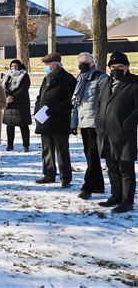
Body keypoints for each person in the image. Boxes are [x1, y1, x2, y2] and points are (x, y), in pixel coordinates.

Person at [96, 51, 138, 214]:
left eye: (120, 66)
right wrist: (99, 120)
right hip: (106, 132)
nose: (116, 69)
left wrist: (128, 123)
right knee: (111, 166)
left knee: (125, 169)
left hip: (124, 133)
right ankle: (115, 196)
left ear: (127, 67)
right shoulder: (106, 81)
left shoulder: (135, 82)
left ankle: (127, 201)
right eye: (113, 67)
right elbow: (100, 103)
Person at [34, 53, 77, 187]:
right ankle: (48, 174)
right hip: (44, 120)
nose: (45, 68)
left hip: (60, 121)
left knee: (62, 150)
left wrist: (56, 110)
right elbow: (40, 96)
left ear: (55, 65)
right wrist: (37, 110)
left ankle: (65, 178)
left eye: (47, 65)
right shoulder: (47, 78)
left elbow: (71, 100)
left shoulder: (68, 79)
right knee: (47, 150)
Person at [70, 53, 108, 199]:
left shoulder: (100, 77)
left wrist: (101, 121)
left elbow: (104, 101)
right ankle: (98, 185)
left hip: (95, 123)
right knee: (89, 154)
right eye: (80, 61)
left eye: (85, 62)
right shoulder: (80, 78)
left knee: (92, 154)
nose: (82, 64)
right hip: (83, 122)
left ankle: (88, 187)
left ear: (92, 62)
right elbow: (76, 104)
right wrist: (73, 124)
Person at [1, 59, 32, 152]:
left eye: (15, 66)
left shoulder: (24, 76)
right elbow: (4, 87)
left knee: (24, 126)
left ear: (19, 67)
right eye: (12, 66)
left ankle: (26, 145)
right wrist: (6, 97)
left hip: (21, 104)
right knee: (9, 126)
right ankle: (10, 145)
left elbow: (24, 89)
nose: (13, 68)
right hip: (9, 105)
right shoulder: (8, 76)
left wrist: (12, 97)